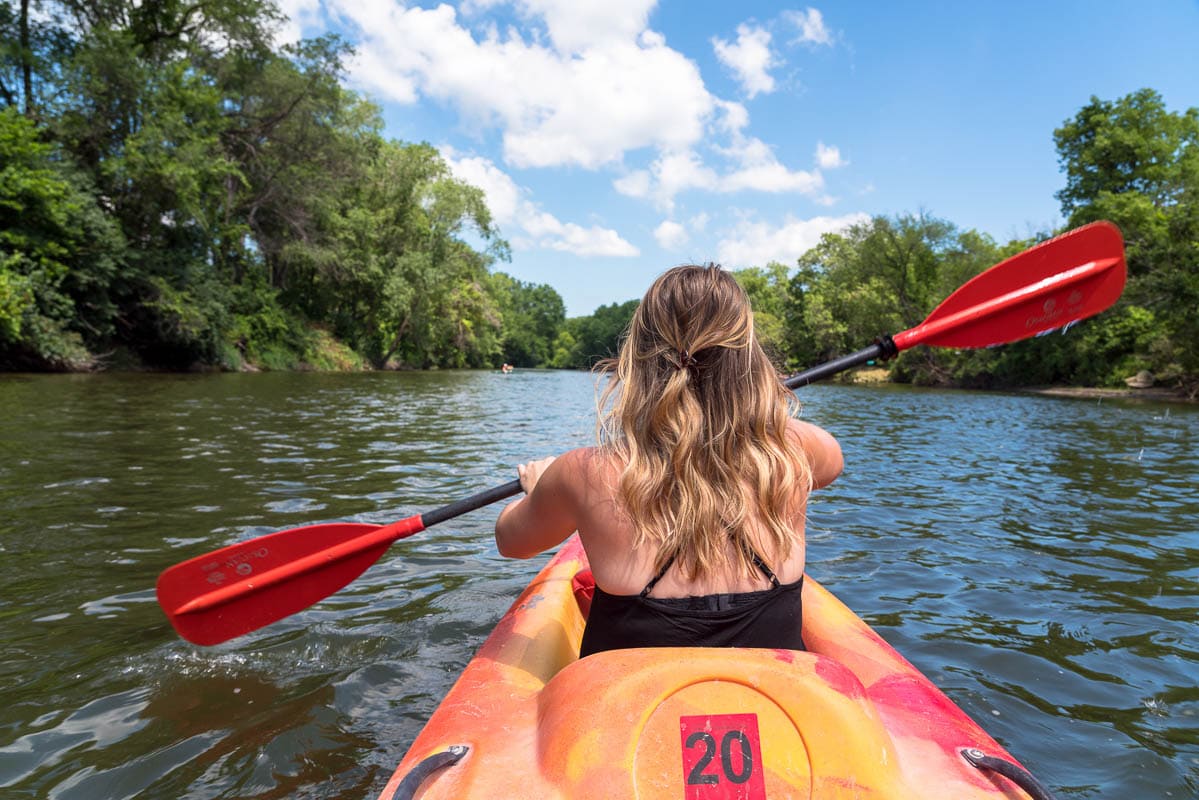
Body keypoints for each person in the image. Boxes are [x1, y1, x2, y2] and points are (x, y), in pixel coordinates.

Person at [494, 265, 843, 657]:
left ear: (638, 360)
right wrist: (755, 413)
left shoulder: (583, 474)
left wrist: (539, 486)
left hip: (630, 709)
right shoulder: (792, 451)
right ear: (750, 360)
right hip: (775, 706)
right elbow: (833, 462)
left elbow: (510, 542)